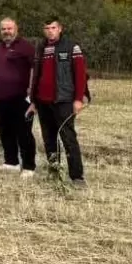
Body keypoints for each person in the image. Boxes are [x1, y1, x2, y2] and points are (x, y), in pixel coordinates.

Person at [27, 15, 88, 187]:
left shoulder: (71, 47)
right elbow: (36, 77)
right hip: (43, 101)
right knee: (49, 139)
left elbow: (80, 75)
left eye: (53, 28)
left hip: (63, 100)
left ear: (60, 28)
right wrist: (33, 100)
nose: (50, 31)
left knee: (68, 138)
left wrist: (78, 99)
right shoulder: (41, 48)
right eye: (46, 28)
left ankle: (77, 176)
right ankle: (54, 172)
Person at [0, 17, 37, 178]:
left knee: (24, 132)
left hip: (20, 98)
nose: (6, 32)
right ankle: (11, 162)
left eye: (9, 28)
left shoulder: (26, 47)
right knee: (5, 131)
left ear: (16, 29)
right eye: (3, 29)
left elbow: (34, 69)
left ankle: (29, 166)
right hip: (1, 97)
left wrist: (31, 91)